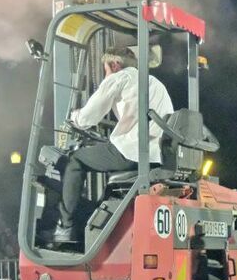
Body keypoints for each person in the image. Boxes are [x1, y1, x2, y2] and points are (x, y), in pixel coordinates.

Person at [49, 46, 174, 247]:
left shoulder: (119, 77)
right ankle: (98, 228)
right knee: (106, 167)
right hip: (157, 157)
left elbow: (88, 117)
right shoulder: (156, 84)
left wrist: (74, 117)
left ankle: (64, 228)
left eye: (105, 69)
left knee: (75, 161)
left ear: (115, 64)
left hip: (132, 152)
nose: (105, 74)